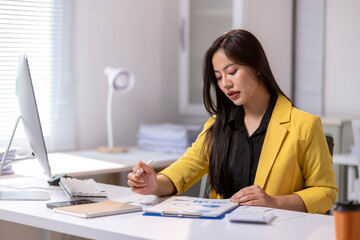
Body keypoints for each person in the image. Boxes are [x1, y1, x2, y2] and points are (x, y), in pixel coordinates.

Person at [128, 29, 338, 214]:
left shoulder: (305, 125)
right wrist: (154, 184)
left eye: (232, 72)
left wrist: (274, 202)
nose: (225, 84)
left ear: (257, 67)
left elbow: (325, 192)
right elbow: (183, 170)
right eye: (218, 77)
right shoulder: (217, 126)